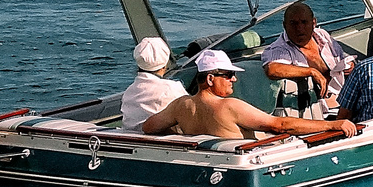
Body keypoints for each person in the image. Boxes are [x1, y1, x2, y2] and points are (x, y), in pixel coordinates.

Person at [143, 49, 358, 141]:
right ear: (210, 79)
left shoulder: (181, 106)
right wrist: (333, 125)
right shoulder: (229, 106)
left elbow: (148, 127)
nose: (234, 79)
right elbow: (280, 125)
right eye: (228, 75)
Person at [261, 1, 349, 115]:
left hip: (346, 97)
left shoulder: (322, 36)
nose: (299, 28)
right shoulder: (280, 48)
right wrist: (312, 72)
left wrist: (349, 66)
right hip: (320, 110)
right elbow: (272, 69)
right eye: (293, 23)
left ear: (313, 23)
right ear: (284, 25)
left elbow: (341, 56)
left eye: (304, 22)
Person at [118, 36, 187, 130]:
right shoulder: (171, 88)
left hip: (130, 138)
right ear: (165, 63)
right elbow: (190, 112)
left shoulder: (129, 91)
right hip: (161, 142)